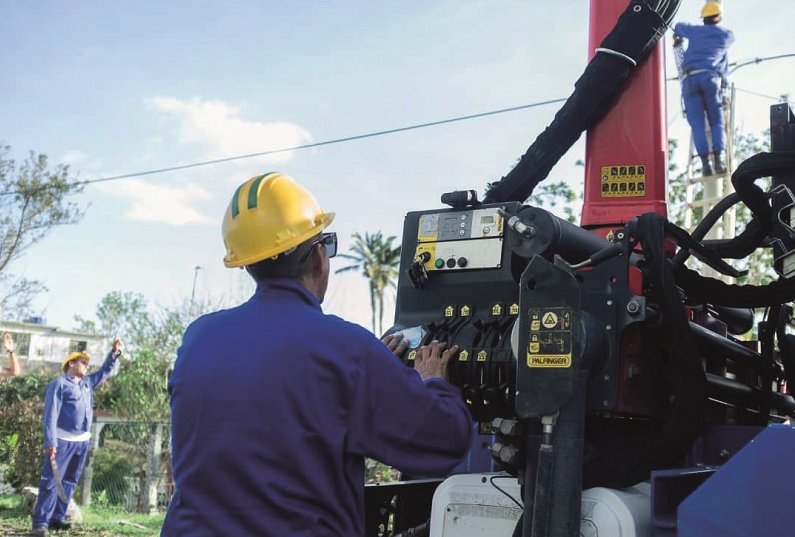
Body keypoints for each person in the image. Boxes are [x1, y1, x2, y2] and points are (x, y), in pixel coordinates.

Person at [162, 172, 472, 537]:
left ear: (246, 264)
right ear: (318, 257)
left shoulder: (199, 337)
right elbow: (444, 441)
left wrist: (377, 370)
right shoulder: (345, 349)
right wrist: (431, 383)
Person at [30, 338, 124, 537]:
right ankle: (40, 523)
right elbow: (51, 414)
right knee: (51, 481)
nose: (86, 365)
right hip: (62, 441)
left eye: (87, 363)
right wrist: (50, 441)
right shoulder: (59, 384)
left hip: (82, 441)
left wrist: (114, 353)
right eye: (82, 362)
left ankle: (58, 518)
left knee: (70, 481)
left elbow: (104, 371)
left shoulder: (87, 383)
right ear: (71, 363)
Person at [673, 1, 734, 177]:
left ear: (704, 19)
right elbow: (724, 65)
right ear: (719, 17)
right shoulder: (726, 36)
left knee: (697, 124)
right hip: (710, 78)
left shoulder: (695, 32)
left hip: (689, 80)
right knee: (716, 121)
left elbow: (678, 26)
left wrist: (679, 37)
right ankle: (719, 159)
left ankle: (705, 164)